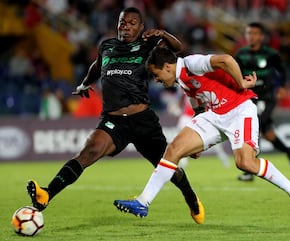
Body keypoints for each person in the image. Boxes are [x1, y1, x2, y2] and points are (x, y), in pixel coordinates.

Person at [26, 7, 204, 225]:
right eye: (122, 22)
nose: (125, 26)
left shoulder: (148, 46)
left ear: (140, 27)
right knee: (88, 151)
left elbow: (178, 48)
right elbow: (98, 66)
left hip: (142, 121)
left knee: (167, 165)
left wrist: (162, 34)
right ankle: (47, 194)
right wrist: (84, 83)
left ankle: (190, 197)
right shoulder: (107, 46)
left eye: (131, 23)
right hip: (113, 120)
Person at [113, 46, 290, 220]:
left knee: (245, 163)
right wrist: (198, 139)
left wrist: (240, 83)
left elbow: (226, 60)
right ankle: (143, 202)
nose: (157, 80)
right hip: (213, 115)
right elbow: (199, 104)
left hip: (239, 110)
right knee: (173, 149)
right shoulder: (181, 79)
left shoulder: (192, 64)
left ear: (167, 66)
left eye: (156, 75)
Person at [233, 22, 290, 181]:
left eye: (255, 33)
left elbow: (281, 71)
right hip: (249, 97)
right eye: (249, 33)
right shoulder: (241, 54)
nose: (251, 36)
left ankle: (249, 168)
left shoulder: (271, 54)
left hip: (267, 96)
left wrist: (282, 87)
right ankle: (288, 150)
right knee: (267, 133)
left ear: (261, 36)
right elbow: (235, 73)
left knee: (257, 124)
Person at [177, 93, 230, 169]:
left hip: (199, 117)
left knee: (212, 140)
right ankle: (183, 162)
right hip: (186, 117)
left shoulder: (200, 89)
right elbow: (180, 99)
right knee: (182, 140)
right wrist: (178, 109)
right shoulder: (184, 88)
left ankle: (223, 157)